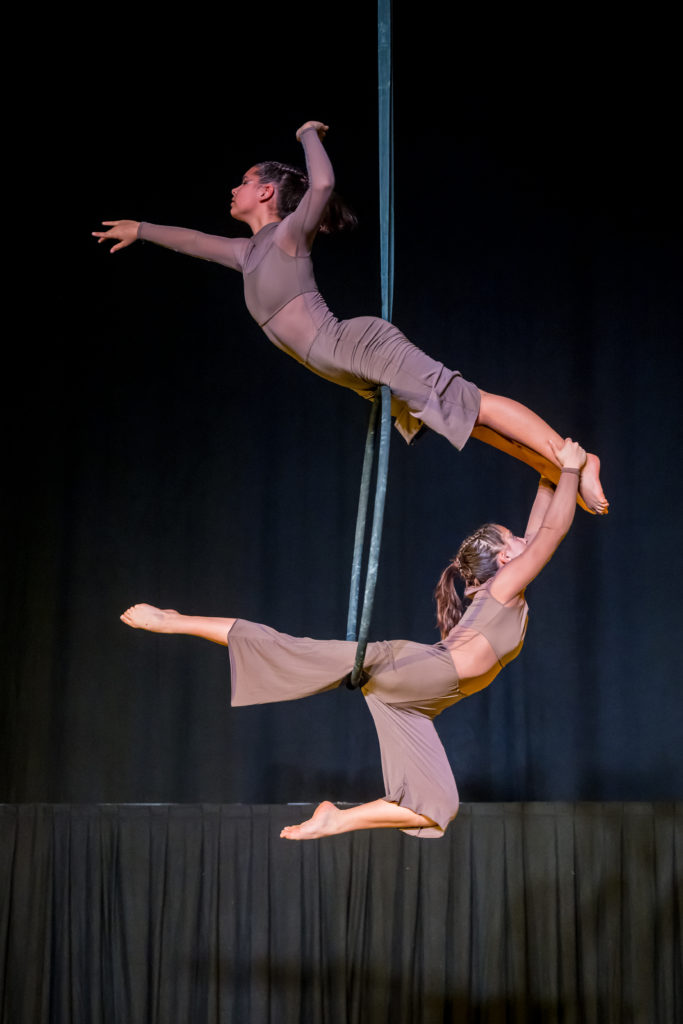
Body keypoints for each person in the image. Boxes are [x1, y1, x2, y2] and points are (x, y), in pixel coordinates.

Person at [94, 121, 608, 515]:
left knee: (471, 402)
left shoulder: (289, 234)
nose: (234, 189)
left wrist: (306, 135)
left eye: (244, 181)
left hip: (358, 347)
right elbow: (192, 242)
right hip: (354, 374)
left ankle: (577, 459)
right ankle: (559, 470)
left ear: (267, 192)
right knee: (468, 426)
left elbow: (321, 185)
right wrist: (141, 228)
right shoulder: (246, 253)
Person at [121, 438, 586, 839]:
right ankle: (173, 619)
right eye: (513, 538)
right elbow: (553, 529)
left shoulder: (503, 584)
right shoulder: (505, 586)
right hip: (414, 671)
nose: (524, 538)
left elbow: (541, 526)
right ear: (505, 557)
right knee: (292, 649)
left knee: (437, 807)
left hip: (415, 701)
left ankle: (336, 821)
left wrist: (551, 471)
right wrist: (565, 467)